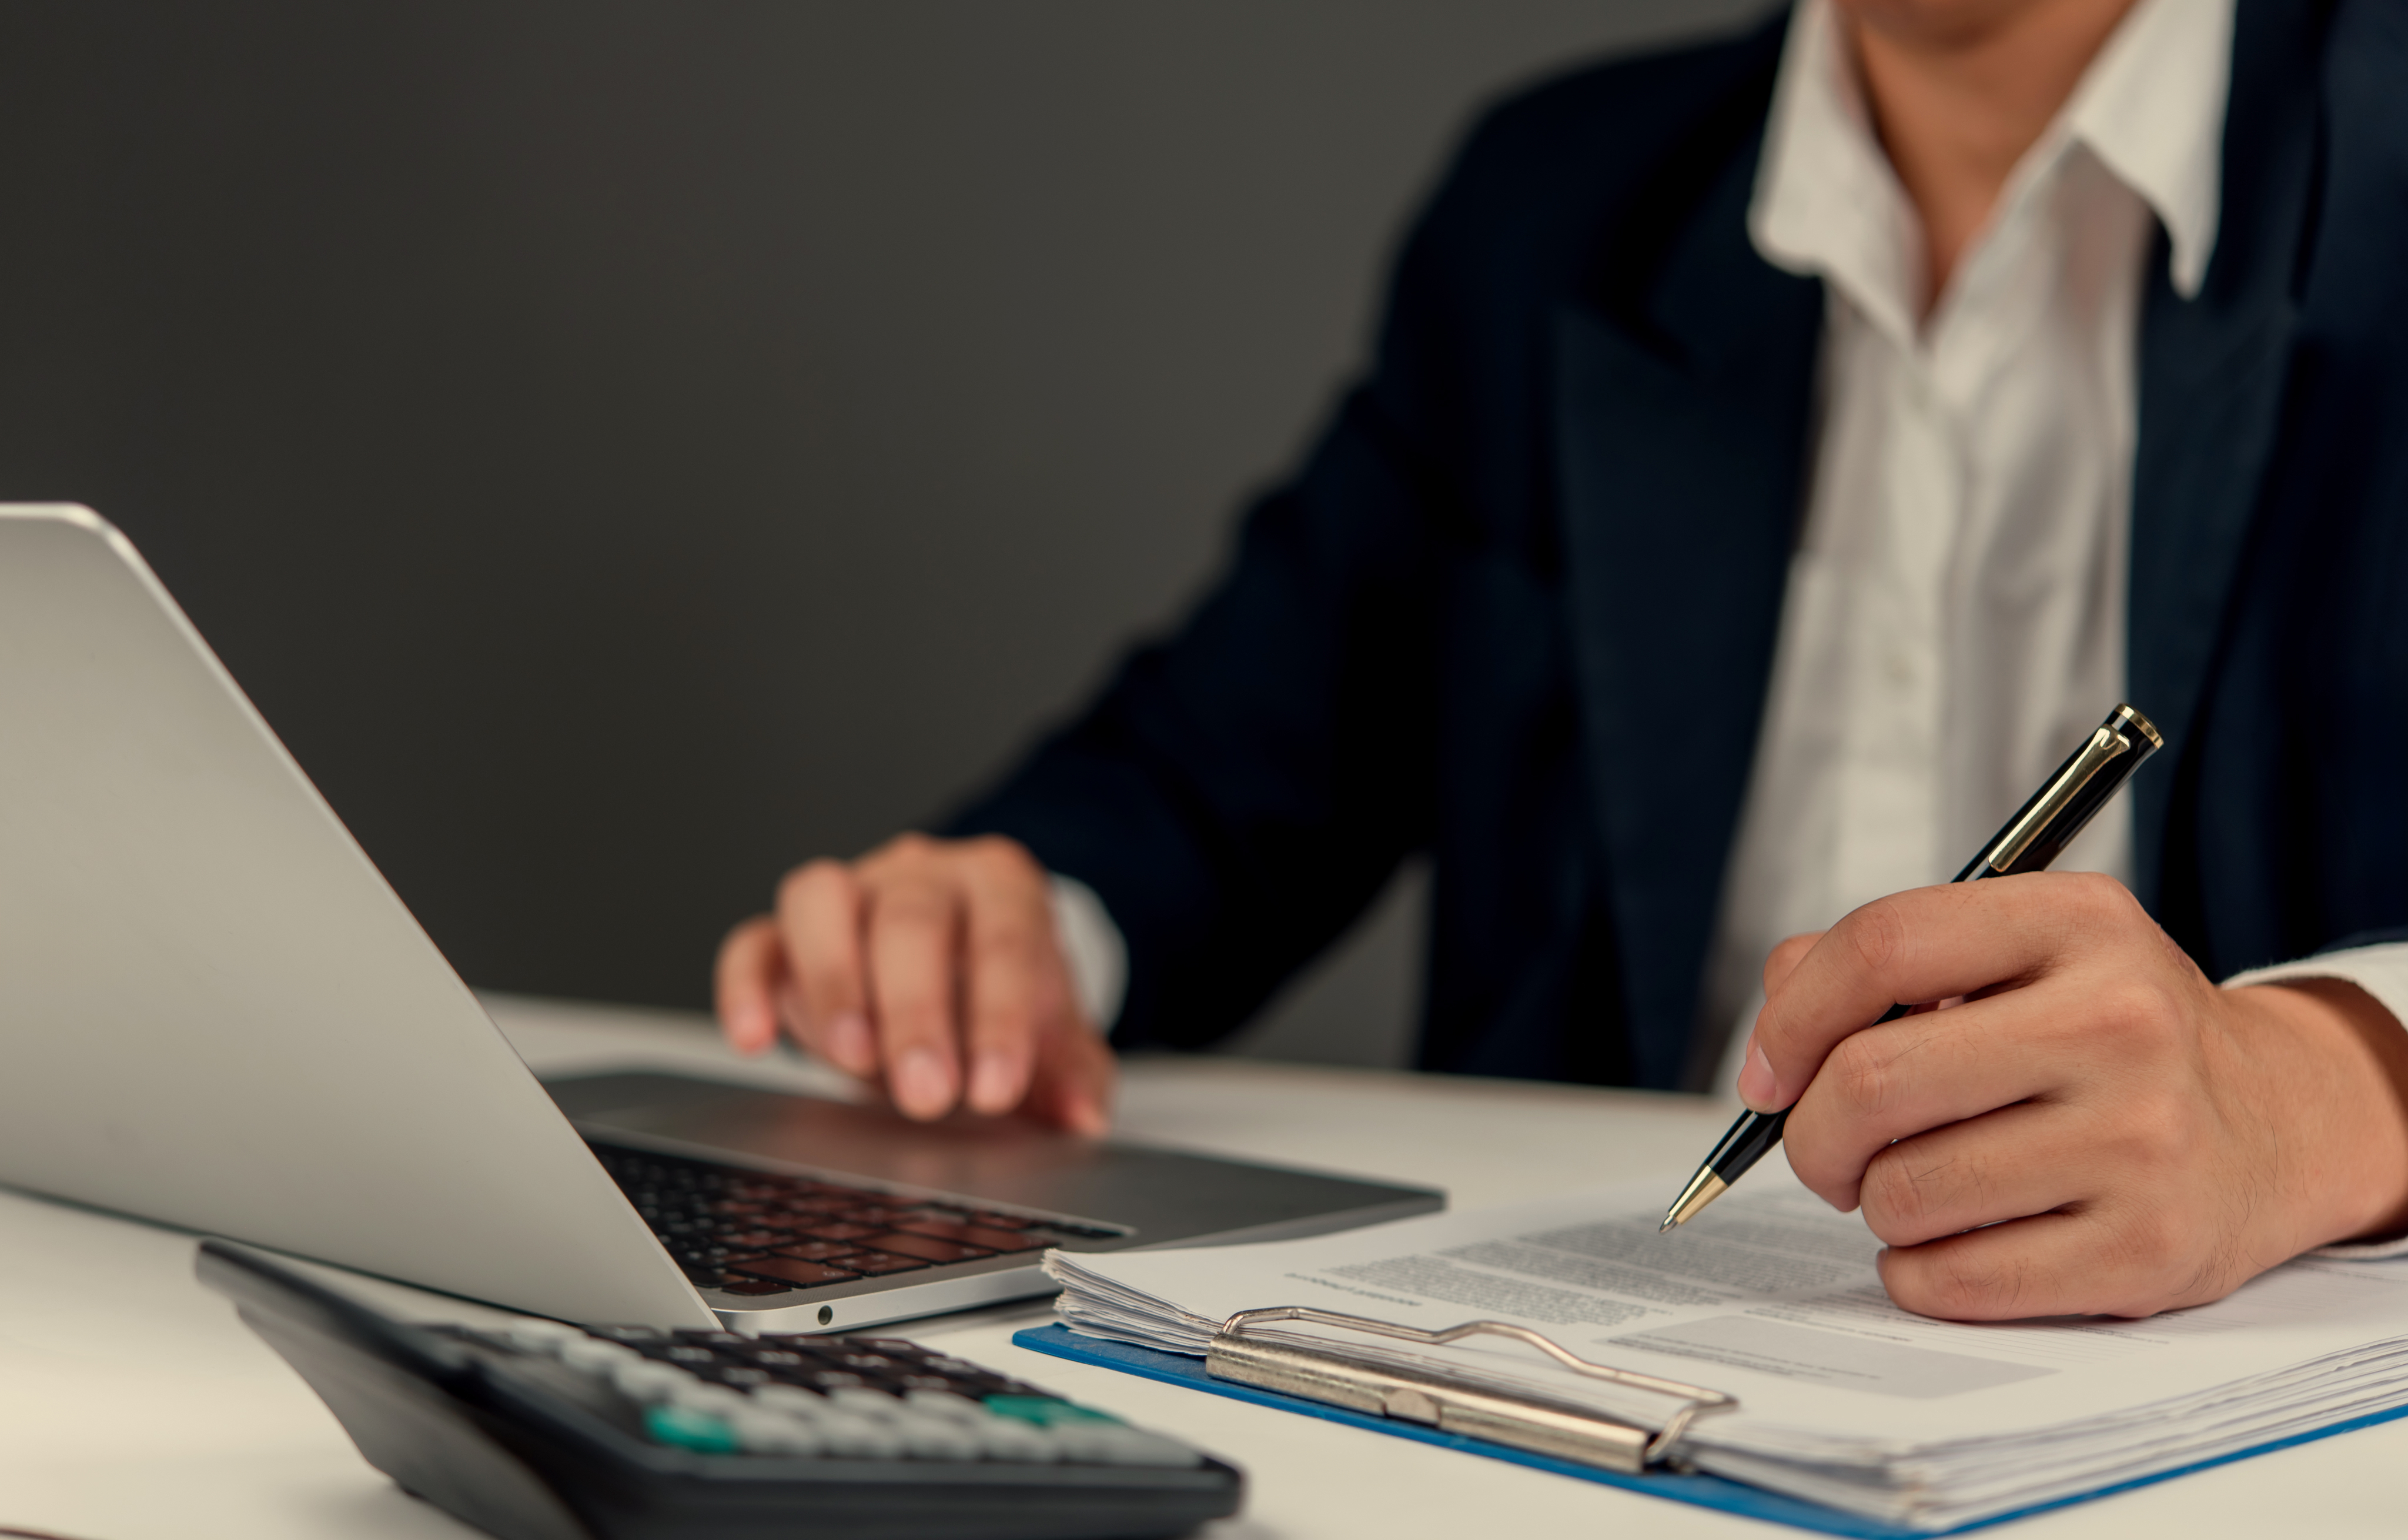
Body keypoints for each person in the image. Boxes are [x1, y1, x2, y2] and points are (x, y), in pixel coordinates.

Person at [715, 0, 2408, 1321]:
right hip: (1566, 1399)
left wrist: (2316, 1093)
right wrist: (1011, 931)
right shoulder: (1556, 214)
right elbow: (1220, 767)